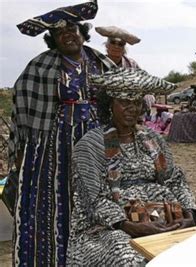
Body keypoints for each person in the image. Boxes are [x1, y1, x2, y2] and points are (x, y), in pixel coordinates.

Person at [9, 2, 116, 265]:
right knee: (52, 203)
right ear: (53, 40)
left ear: (83, 33)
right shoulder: (40, 67)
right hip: (53, 148)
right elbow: (23, 109)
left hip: (95, 142)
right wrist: (22, 152)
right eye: (59, 33)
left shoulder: (101, 64)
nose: (67, 35)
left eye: (72, 29)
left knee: (96, 197)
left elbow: (118, 103)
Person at [66, 68, 196, 265]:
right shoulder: (91, 145)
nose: (132, 108)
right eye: (124, 102)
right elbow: (91, 199)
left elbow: (174, 180)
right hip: (111, 225)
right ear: (110, 105)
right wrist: (128, 226)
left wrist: (190, 213)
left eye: (137, 102)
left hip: (164, 213)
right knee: (127, 256)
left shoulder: (153, 139)